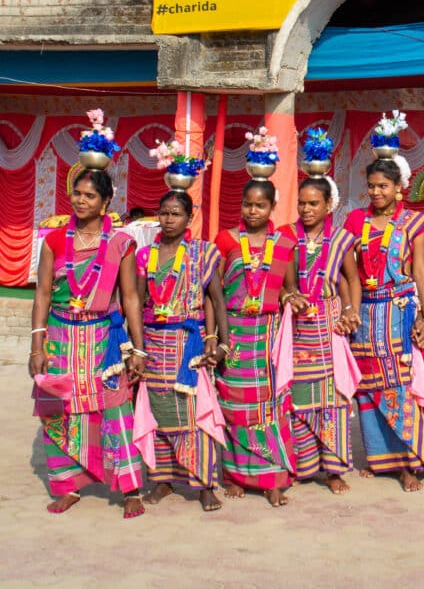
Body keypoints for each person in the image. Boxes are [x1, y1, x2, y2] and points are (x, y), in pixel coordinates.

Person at [29, 169, 146, 518]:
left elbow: (130, 298)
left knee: (116, 408)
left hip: (103, 340)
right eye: (77, 194)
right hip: (61, 337)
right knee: (58, 409)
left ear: (106, 201)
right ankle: (68, 485)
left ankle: (131, 488)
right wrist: (37, 346)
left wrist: (137, 349)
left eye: (90, 196)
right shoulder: (54, 241)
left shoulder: (120, 243)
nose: (81, 201)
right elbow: (43, 293)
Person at [343, 157, 424, 492]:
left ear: (399, 188)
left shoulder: (414, 223)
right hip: (365, 314)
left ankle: (409, 463)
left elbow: (421, 271)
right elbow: (344, 267)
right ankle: (381, 460)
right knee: (368, 388)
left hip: (398, 313)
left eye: (383, 186)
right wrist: (348, 307)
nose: (376, 192)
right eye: (371, 185)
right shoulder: (356, 220)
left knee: (399, 385)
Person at [136, 190, 230, 512]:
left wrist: (220, 341)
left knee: (193, 414)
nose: (168, 219)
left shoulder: (203, 253)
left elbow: (217, 299)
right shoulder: (145, 254)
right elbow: (135, 302)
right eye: (163, 213)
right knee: (157, 414)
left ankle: (204, 485)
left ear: (189, 218)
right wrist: (134, 347)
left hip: (188, 342)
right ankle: (162, 480)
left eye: (176, 214)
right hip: (153, 343)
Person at [214, 179, 303, 507]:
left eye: (260, 206)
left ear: (271, 209)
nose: (252, 211)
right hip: (234, 332)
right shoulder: (226, 239)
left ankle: (273, 478)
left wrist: (295, 297)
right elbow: (216, 291)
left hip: (267, 333)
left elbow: (287, 287)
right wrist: (218, 337)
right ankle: (235, 475)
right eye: (247, 204)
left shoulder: (284, 243)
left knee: (269, 405)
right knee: (233, 404)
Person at [291, 177, 361, 494]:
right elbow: (281, 279)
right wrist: (289, 295)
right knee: (298, 396)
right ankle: (304, 465)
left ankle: (334, 471)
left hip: (330, 323)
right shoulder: (286, 237)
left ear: (328, 205)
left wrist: (350, 310)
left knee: (333, 399)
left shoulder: (342, 239)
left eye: (313, 203)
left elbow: (351, 279)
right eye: (302, 203)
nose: (306, 209)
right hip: (296, 327)